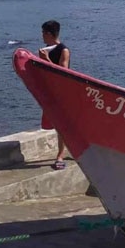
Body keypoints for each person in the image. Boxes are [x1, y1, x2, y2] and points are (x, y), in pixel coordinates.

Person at [39, 19, 71, 170]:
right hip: (50, 92)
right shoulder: (46, 48)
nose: (42, 36)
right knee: (56, 124)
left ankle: (60, 155)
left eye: (43, 33)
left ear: (50, 34)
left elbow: (63, 73)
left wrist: (46, 60)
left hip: (63, 93)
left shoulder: (63, 50)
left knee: (61, 125)